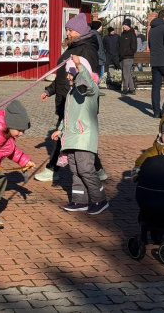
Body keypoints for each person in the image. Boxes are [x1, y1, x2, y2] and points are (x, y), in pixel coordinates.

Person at [36, 12, 106, 182]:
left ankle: (52, 169)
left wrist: (77, 98)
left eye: (70, 30)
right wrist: (49, 90)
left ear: (79, 32)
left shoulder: (86, 50)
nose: (67, 33)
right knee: (79, 139)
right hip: (67, 99)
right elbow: (63, 74)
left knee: (65, 135)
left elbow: (87, 78)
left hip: (78, 102)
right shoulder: (73, 47)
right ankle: (98, 169)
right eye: (67, 30)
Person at [52, 56, 108, 215]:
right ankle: (79, 200)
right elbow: (68, 115)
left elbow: (87, 84)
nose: (68, 76)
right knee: (75, 170)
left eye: (70, 73)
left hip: (83, 137)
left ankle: (100, 199)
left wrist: (79, 66)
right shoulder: (72, 92)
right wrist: (61, 129)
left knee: (86, 169)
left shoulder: (90, 89)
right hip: (71, 137)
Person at [119, 18, 137, 95]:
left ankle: (125, 89)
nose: (124, 26)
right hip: (122, 57)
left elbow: (134, 47)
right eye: (123, 25)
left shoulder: (132, 34)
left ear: (129, 25)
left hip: (128, 57)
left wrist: (128, 53)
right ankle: (132, 89)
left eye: (125, 25)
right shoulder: (123, 34)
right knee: (127, 73)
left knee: (125, 73)